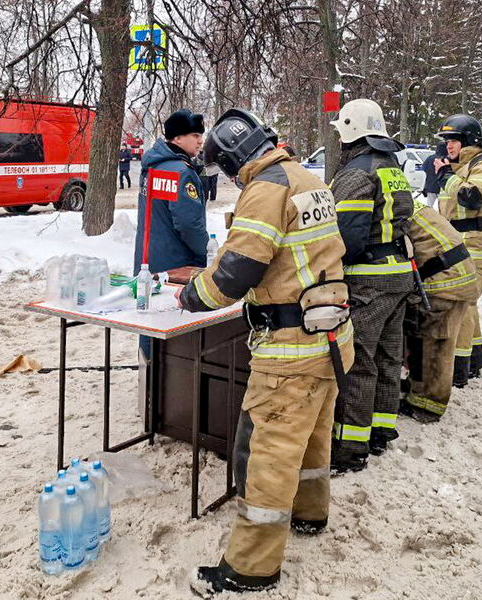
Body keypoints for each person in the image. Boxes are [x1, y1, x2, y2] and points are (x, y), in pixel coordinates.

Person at [179, 109, 352, 595]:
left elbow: (235, 274)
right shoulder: (305, 177)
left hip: (290, 350)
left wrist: (193, 294)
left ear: (235, 163)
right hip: (332, 334)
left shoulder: (266, 190)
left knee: (267, 453)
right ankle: (310, 514)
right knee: (313, 436)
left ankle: (251, 567)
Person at [328, 99, 415, 469]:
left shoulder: (355, 173)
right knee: (388, 357)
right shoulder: (392, 167)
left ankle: (350, 448)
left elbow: (345, 236)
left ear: (350, 129)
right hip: (399, 276)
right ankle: (380, 431)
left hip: (368, 280)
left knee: (358, 361)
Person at [434, 114, 482, 387]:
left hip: (475, 240)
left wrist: (445, 177)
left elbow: (472, 197)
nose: (448, 146)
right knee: (467, 302)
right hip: (457, 239)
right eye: (446, 141)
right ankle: (474, 359)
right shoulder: (460, 167)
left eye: (453, 140)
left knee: (461, 301)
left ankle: (458, 368)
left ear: (468, 141)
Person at [400, 198, 480, 422]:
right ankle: (420, 392)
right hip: (454, 271)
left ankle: (427, 406)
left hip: (444, 279)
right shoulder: (405, 202)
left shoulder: (395, 210)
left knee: (433, 342)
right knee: (428, 340)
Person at [132, 108, 207, 275]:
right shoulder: (182, 172)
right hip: (176, 266)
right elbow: (189, 224)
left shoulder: (152, 166)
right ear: (178, 138)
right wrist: (205, 250)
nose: (201, 141)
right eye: (195, 135)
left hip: (148, 261)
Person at [422, 142, 448, 207]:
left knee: (429, 206)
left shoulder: (430, 158)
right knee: (442, 207)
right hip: (443, 187)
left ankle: (428, 216)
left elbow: (424, 169)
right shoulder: (447, 159)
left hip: (430, 186)